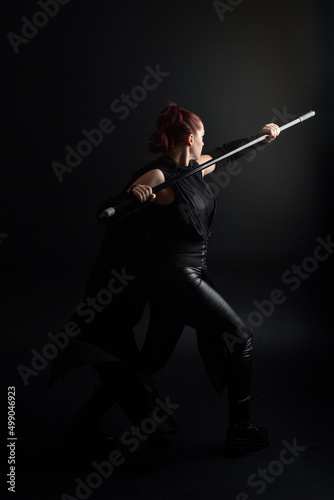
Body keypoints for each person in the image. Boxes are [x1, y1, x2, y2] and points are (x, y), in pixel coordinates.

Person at [98, 102, 280, 455]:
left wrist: (260, 139)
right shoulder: (159, 177)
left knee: (149, 362)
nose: (204, 142)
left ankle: (88, 420)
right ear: (189, 137)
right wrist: (131, 196)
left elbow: (226, 155)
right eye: (202, 137)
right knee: (241, 337)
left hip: (185, 277)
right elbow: (107, 212)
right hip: (177, 277)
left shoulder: (195, 168)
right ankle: (240, 429)